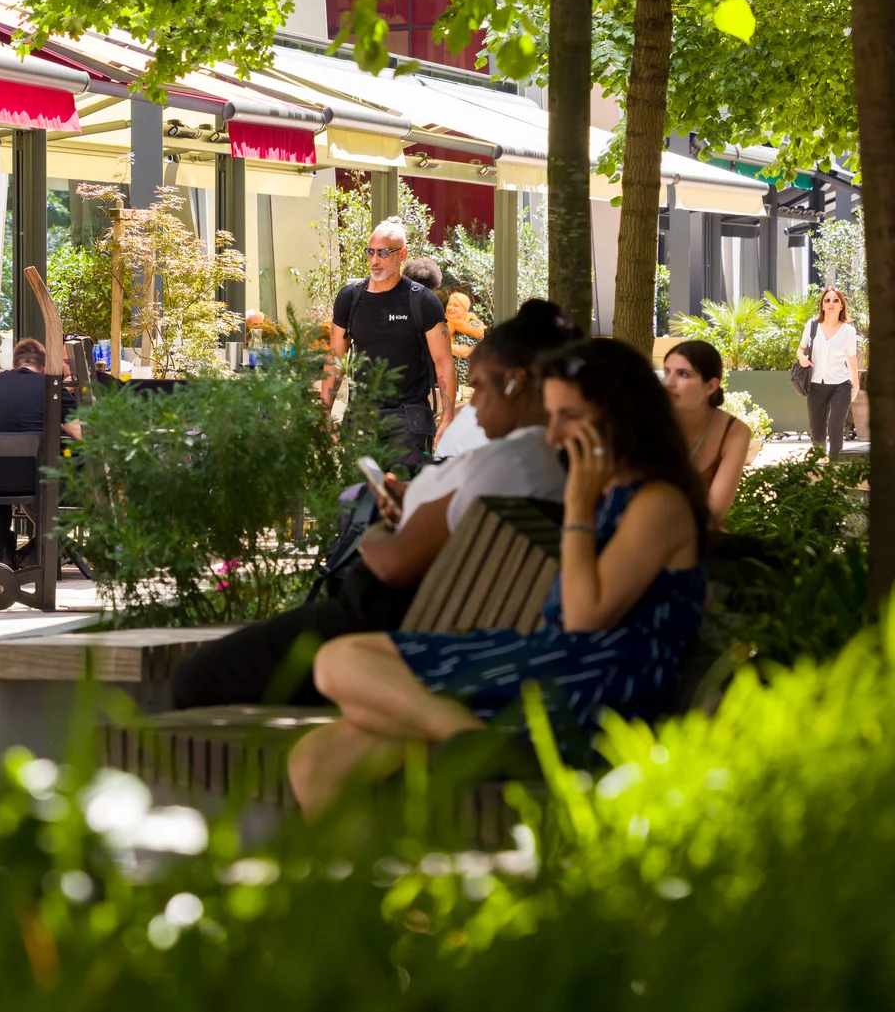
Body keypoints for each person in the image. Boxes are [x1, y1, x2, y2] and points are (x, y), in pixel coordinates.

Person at [288, 338, 707, 819]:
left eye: (568, 416)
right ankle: (462, 751)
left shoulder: (657, 503)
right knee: (315, 758)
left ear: (617, 414)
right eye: (551, 418)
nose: (553, 436)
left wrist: (575, 504)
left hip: (593, 687)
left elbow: (584, 617)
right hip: (551, 663)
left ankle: (473, 743)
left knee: (340, 661)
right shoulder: (609, 493)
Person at [172, 300, 577, 710]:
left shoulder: (508, 462)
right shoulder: (544, 462)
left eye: (482, 387)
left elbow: (393, 563)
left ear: (515, 383)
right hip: (430, 621)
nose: (475, 404)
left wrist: (381, 528)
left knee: (196, 676)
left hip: (381, 622)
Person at [326, 218, 455, 467]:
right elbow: (335, 359)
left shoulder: (423, 301)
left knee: (403, 495)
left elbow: (443, 361)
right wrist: (324, 411)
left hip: (408, 418)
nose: (375, 260)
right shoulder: (349, 298)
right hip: (361, 417)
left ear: (402, 254)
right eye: (371, 252)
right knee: (359, 495)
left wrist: (447, 416)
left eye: (384, 252)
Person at [0, 337, 83, 566]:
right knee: (84, 468)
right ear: (45, 367)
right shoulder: (51, 387)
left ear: (15, 364)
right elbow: (85, 434)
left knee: (2, 462)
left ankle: (5, 550)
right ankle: (43, 547)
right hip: (38, 480)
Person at [663, 340, 753, 526]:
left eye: (683, 374)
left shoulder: (734, 432)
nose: (669, 383)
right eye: (666, 372)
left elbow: (713, 512)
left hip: (697, 537)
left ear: (710, 387)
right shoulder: (647, 422)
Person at [798, 287, 861, 463]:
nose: (831, 303)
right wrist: (802, 358)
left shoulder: (848, 331)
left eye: (835, 300)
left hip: (841, 384)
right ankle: (820, 462)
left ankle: (835, 465)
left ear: (842, 306)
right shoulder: (812, 325)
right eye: (827, 300)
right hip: (816, 384)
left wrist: (855, 385)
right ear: (822, 305)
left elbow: (852, 359)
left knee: (835, 426)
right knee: (817, 429)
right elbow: (801, 349)